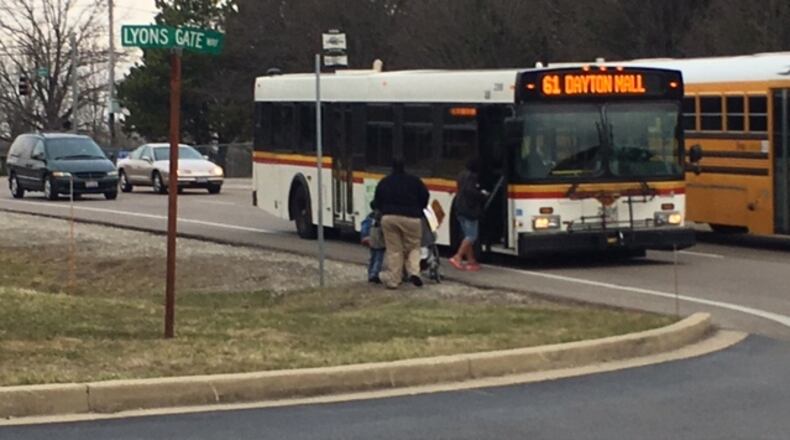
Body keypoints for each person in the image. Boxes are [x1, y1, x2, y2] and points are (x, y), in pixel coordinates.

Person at [373, 158, 430, 289]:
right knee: (414, 247)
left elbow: (377, 202)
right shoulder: (415, 181)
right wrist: (419, 208)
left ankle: (394, 280)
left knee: (394, 250)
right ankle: (414, 272)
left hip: (389, 218)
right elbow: (425, 197)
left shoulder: (385, 182)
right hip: (412, 218)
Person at [449, 158, 489, 272]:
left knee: (467, 235)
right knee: (472, 236)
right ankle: (458, 257)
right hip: (469, 210)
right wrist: (482, 194)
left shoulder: (461, 175)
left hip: (460, 208)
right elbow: (470, 192)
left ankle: (471, 261)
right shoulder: (472, 177)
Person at [360, 205, 385, 284]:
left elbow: (365, 226)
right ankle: (374, 274)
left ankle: (371, 273)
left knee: (373, 257)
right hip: (378, 240)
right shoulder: (379, 217)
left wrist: (364, 236)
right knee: (378, 257)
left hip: (372, 239)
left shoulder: (370, 216)